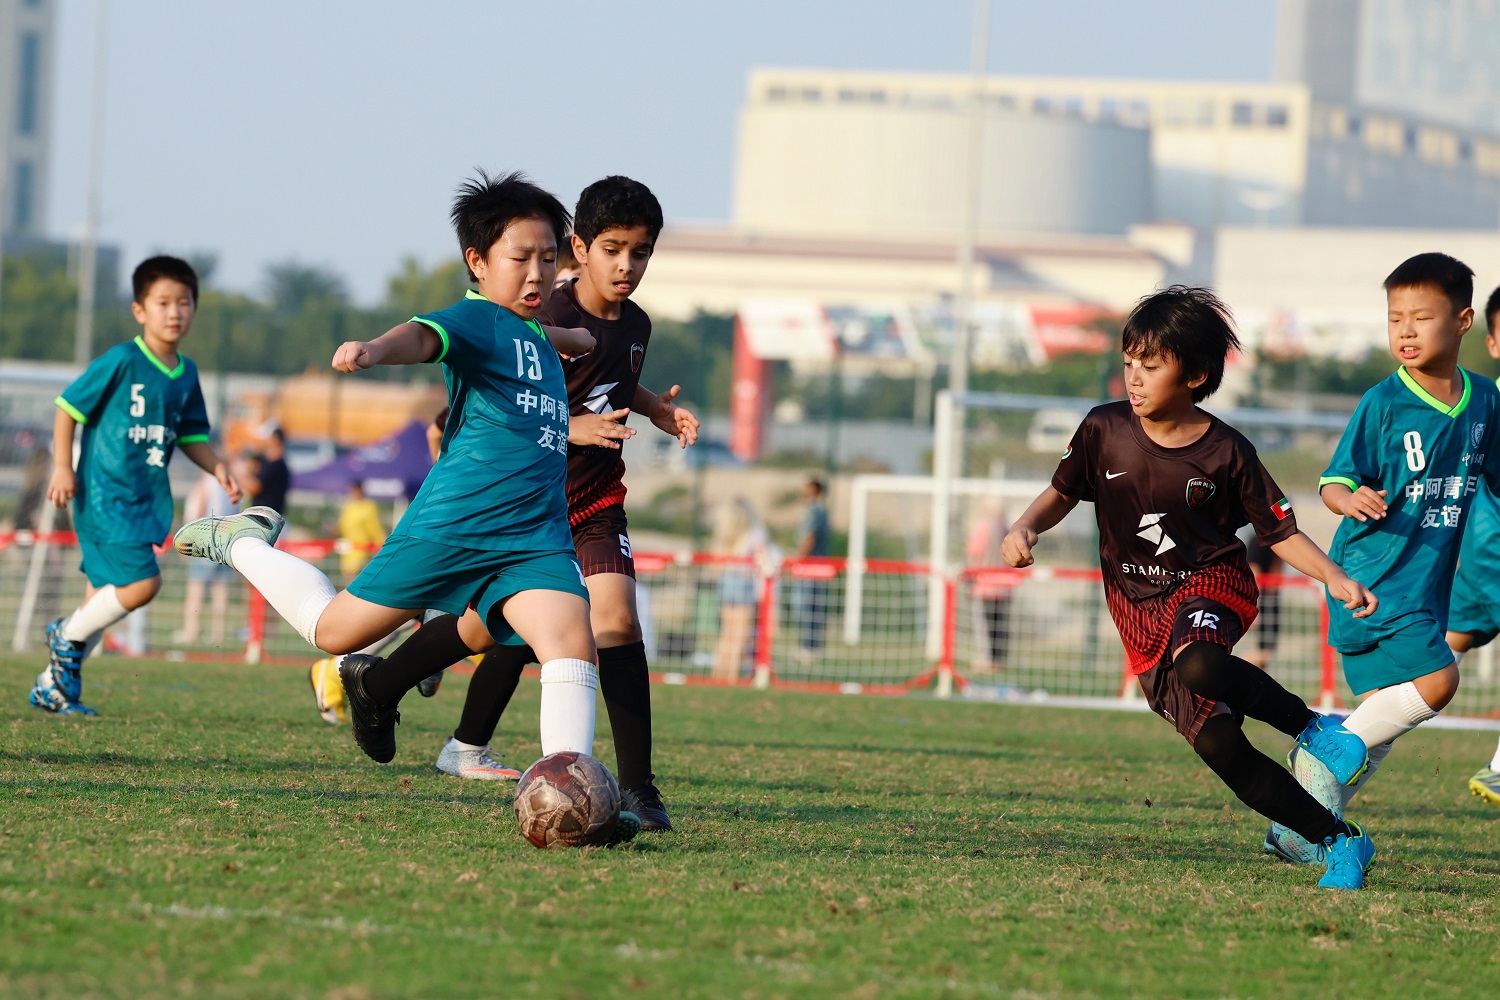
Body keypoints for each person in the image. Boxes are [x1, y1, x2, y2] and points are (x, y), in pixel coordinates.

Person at [172, 172, 622, 826]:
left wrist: (571, 340)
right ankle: (240, 542)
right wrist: (374, 351)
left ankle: (577, 805)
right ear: (478, 262)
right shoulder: (476, 318)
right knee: (334, 631)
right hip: (452, 526)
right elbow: (424, 336)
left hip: (533, 538)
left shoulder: (533, 334)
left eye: (548, 257)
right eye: (519, 257)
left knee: (569, 640)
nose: (536, 272)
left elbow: (533, 343)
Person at [1001, 285, 1380, 891]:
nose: (1134, 376)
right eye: (1129, 361)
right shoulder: (1103, 429)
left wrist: (1332, 574)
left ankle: (1315, 729)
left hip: (1212, 583)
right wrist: (1023, 525)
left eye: (1150, 365)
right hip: (1136, 612)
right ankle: (1339, 842)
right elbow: (1062, 493)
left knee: (1201, 664)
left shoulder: (1228, 450)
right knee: (1221, 749)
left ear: (1196, 373)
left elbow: (1278, 531)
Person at [372, 177, 697, 832]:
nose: (626, 266)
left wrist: (657, 407)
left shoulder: (636, 325)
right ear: (578, 247)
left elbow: (615, 382)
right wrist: (572, 428)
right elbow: (486, 400)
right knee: (498, 631)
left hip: (597, 499)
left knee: (616, 623)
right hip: (527, 505)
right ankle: (384, 687)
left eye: (641, 253)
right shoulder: (536, 314)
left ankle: (637, 790)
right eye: (612, 249)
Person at [1271, 253, 1500, 852]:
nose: (1404, 330)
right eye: (1394, 318)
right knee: (1439, 682)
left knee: (1383, 721)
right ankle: (1324, 752)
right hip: (1368, 581)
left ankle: (1297, 826)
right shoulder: (1382, 403)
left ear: (1463, 321)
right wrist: (1349, 500)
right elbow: (1332, 481)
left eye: (1420, 318)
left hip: (1424, 589)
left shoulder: (1484, 403)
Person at [30, 256, 241, 715]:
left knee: (101, 605)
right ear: (139, 310)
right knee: (143, 585)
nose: (174, 312)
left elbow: (191, 436)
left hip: (144, 501)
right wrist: (63, 467)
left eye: (183, 302)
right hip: (104, 496)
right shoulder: (123, 360)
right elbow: (67, 409)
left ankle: (54, 688)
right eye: (162, 302)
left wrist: (217, 467)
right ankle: (62, 634)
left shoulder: (185, 373)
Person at [1443, 282, 1500, 806]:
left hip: (1480, 562)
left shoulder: (1485, 401)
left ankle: (1348, 744)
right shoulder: (1489, 405)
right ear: (1494, 341)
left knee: (1430, 668)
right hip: (1490, 560)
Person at [173, 465, 244, 646]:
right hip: (224, 542)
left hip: (204, 542)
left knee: (195, 590)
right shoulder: (229, 486)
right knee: (220, 591)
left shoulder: (206, 484)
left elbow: (198, 512)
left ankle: (191, 631)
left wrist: (187, 541)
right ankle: (217, 633)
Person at [711, 497, 770, 684]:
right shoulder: (754, 533)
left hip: (726, 581)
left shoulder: (725, 534)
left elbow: (716, 560)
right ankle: (731, 679)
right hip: (743, 582)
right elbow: (764, 558)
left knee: (727, 634)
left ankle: (717, 676)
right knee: (741, 636)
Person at [965, 498, 1012, 674]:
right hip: (1004, 586)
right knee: (999, 626)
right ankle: (998, 661)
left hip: (984, 585)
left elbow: (973, 552)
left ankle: (987, 660)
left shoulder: (983, 528)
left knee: (985, 626)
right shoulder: (1008, 530)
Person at [791, 477, 832, 662]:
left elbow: (809, 538)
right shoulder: (822, 512)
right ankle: (812, 646)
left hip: (810, 564)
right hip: (818, 563)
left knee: (806, 607)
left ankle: (808, 647)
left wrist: (799, 561)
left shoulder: (814, 512)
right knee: (813, 607)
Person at [337, 481, 385, 585]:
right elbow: (342, 526)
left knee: (356, 575)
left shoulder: (368, 506)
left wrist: (380, 544)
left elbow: (375, 527)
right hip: (349, 547)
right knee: (348, 575)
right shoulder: (348, 506)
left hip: (362, 547)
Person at [243, 427, 290, 514]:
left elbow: (254, 487)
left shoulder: (275, 465)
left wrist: (242, 475)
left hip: (266, 519)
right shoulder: (275, 463)